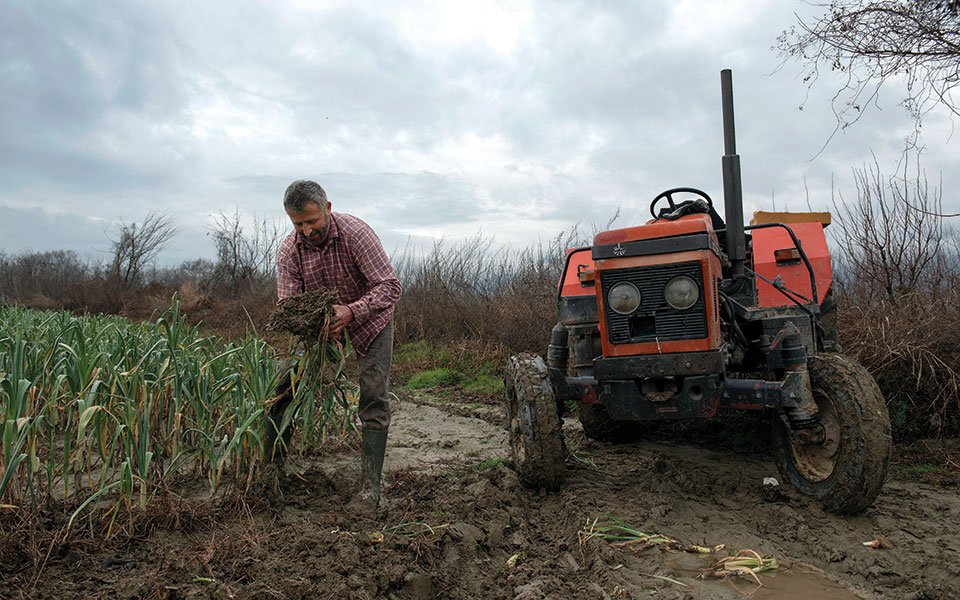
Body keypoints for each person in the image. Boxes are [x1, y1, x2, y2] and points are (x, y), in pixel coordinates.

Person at [276, 179, 402, 513]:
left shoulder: (356, 234)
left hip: (370, 319)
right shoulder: (290, 251)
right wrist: (316, 325)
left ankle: (369, 490)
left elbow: (390, 287)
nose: (305, 230)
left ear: (328, 209)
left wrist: (351, 311)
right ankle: (271, 472)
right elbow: (287, 304)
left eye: (311, 221)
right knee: (284, 387)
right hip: (322, 329)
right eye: (297, 224)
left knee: (373, 393)